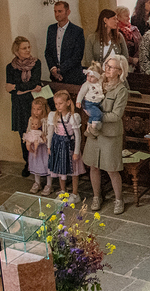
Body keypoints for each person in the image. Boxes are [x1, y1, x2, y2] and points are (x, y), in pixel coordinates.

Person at [83, 55, 130, 215]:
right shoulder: (98, 82)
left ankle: (119, 199)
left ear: (120, 71)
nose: (107, 69)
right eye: (107, 66)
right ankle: (97, 196)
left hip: (110, 134)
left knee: (111, 169)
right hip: (94, 132)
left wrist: (96, 116)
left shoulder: (121, 90)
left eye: (111, 67)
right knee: (93, 166)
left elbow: (116, 115)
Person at [6, 36, 43, 179]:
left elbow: (35, 82)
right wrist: (25, 88)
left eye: (28, 47)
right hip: (19, 105)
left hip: (32, 103)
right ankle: (28, 163)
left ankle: (39, 163)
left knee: (37, 132)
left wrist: (17, 87)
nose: (28, 50)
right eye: (24, 48)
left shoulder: (36, 63)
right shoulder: (10, 67)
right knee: (24, 134)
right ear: (17, 51)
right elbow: (9, 89)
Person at [46, 89, 84, 203]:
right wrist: (49, 146)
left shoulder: (73, 117)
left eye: (60, 103)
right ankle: (62, 191)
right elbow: (50, 132)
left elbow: (77, 136)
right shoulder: (53, 116)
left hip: (69, 146)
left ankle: (75, 193)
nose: (58, 106)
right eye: (56, 104)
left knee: (74, 170)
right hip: (57, 145)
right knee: (60, 169)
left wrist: (76, 151)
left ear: (68, 103)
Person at [45, 1, 86, 84]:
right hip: (55, 76)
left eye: (60, 11)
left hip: (72, 75)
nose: (57, 14)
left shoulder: (77, 31)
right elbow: (48, 51)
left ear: (68, 12)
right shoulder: (51, 29)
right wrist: (53, 69)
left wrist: (60, 70)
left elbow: (77, 56)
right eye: (55, 11)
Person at [23, 98, 51, 193]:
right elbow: (28, 130)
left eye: (38, 109)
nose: (36, 112)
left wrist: (43, 139)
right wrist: (28, 139)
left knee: (47, 164)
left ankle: (49, 184)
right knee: (35, 163)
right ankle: (37, 182)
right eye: (34, 109)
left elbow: (49, 133)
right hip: (35, 147)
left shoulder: (47, 120)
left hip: (44, 147)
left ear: (44, 109)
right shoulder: (31, 119)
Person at [77, 62, 106, 133]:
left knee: (93, 116)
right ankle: (94, 128)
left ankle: (89, 127)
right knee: (98, 114)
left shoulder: (99, 82)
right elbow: (81, 93)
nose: (89, 78)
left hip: (97, 103)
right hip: (89, 103)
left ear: (97, 77)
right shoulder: (87, 84)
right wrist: (78, 101)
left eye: (92, 77)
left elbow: (103, 76)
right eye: (88, 76)